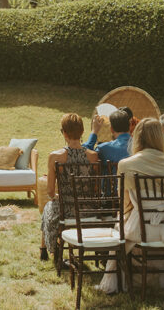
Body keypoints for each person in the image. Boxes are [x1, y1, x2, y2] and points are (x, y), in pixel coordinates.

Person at [99, 118, 164, 294]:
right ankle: (155, 276)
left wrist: (127, 216)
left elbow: (123, 201)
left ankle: (125, 277)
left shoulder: (126, 164)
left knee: (121, 227)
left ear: (136, 137)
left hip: (142, 228)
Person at [40, 113, 100, 265]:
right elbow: (94, 188)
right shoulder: (93, 157)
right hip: (87, 209)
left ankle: (46, 250)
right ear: (82, 132)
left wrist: (60, 196)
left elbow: (50, 192)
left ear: (64, 133)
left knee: (48, 207)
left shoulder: (55, 157)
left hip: (66, 209)